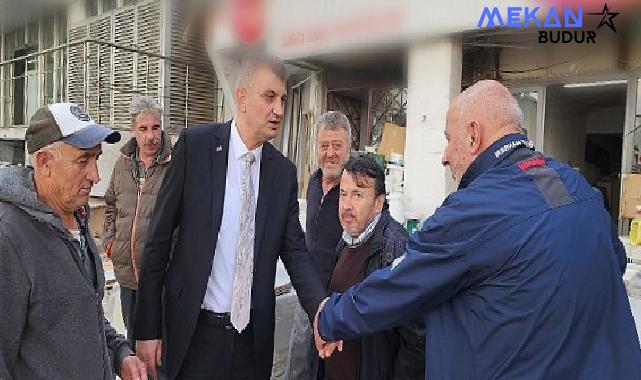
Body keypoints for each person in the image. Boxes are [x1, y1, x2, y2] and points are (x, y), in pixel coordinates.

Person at [314, 80, 641, 378]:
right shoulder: (574, 187)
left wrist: (331, 318)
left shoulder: (472, 210)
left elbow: (400, 285)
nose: (444, 156)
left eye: (448, 140)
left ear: (473, 135)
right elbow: (613, 260)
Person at [133, 53, 325, 380]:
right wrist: (147, 328)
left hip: (251, 342)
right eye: (269, 97)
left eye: (283, 99)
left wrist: (321, 310)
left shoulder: (282, 174)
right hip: (194, 333)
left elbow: (295, 252)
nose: (279, 109)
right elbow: (158, 241)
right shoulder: (196, 147)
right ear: (242, 97)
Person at [0, 103, 147, 380]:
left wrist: (119, 354)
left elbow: (83, 311)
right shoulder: (9, 236)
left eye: (96, 158)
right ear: (44, 162)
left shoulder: (76, 216)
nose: (95, 175)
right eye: (83, 161)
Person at [322, 155, 424, 380]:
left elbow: (416, 338)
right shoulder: (347, 237)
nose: (347, 205)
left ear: (378, 203)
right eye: (344, 194)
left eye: (358, 195)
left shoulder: (395, 248)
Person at [285, 111, 351, 379]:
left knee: (331, 367)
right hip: (308, 295)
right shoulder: (313, 183)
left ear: (349, 147)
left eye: (337, 146)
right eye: (324, 146)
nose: (330, 153)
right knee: (299, 366)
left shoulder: (354, 190)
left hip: (340, 301)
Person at [103, 96, 171, 341]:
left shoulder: (174, 164)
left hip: (160, 278)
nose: (150, 136)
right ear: (133, 130)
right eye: (143, 129)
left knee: (159, 344)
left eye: (156, 127)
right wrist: (110, 242)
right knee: (133, 338)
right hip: (127, 275)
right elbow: (110, 204)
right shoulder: (122, 164)